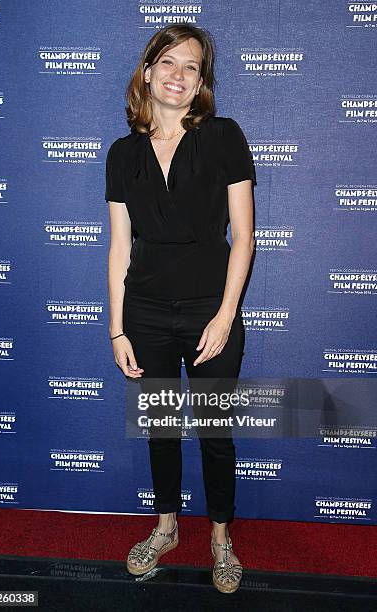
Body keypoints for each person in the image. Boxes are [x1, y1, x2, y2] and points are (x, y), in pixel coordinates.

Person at [105, 24, 256, 594]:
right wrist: (118, 328)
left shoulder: (224, 137)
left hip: (208, 310)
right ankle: (166, 526)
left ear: (201, 82)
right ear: (147, 72)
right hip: (144, 312)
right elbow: (120, 245)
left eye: (191, 66)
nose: (177, 74)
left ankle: (221, 538)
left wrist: (223, 315)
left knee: (215, 429)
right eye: (167, 62)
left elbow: (243, 237)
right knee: (161, 428)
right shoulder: (122, 153)